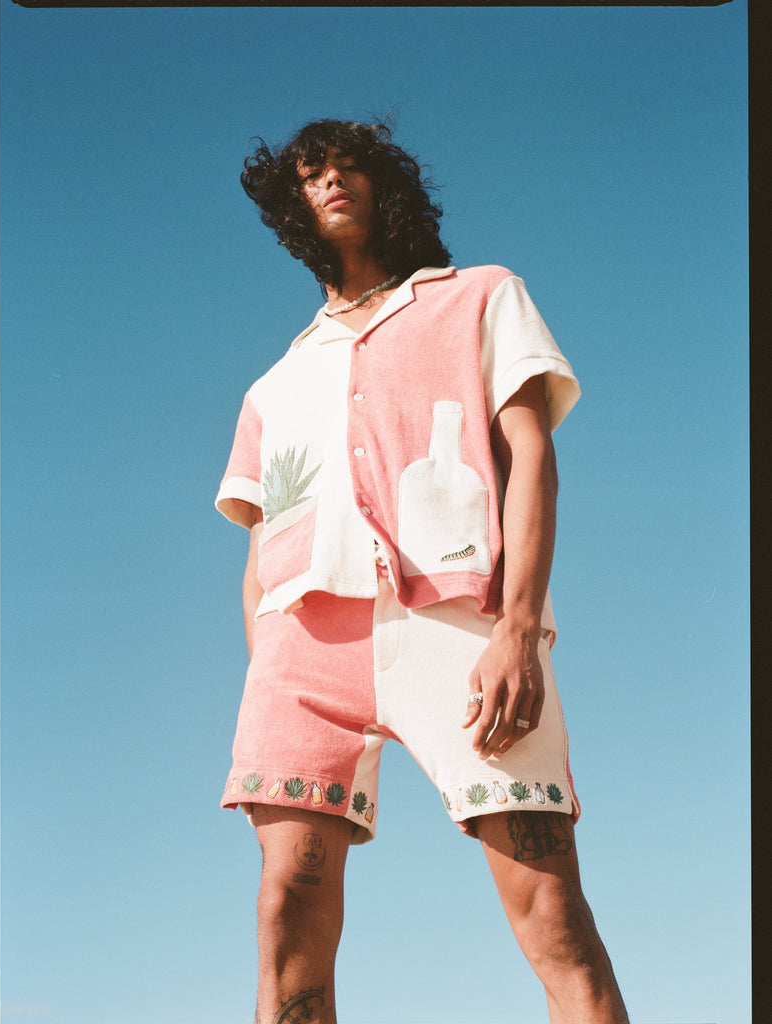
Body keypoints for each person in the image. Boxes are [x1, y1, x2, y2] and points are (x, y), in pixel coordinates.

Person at [215, 118, 628, 1024]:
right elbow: (258, 547)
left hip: (458, 620)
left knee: (551, 914)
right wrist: (264, 676)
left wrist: (518, 624)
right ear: (293, 208)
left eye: (349, 164)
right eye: (311, 173)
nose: (330, 180)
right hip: (301, 654)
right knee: (285, 919)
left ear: (385, 185)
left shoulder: (480, 295)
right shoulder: (274, 382)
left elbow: (530, 455)